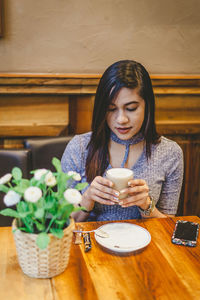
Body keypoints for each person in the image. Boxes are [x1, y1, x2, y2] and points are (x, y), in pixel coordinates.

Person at [61, 60, 183, 222]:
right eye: (111, 109)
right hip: (89, 245)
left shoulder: (170, 153)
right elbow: (61, 222)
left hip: (145, 244)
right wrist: (88, 198)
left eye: (131, 108)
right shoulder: (79, 147)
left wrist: (147, 205)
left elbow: (168, 226)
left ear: (147, 107)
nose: (121, 119)